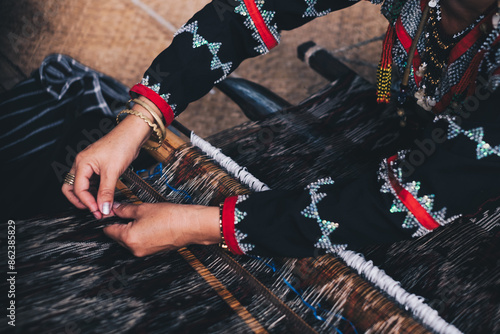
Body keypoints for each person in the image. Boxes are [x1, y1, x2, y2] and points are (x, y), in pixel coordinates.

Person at [62, 0, 500, 258]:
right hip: (401, 106)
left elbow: (413, 196)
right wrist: (142, 116)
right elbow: (247, 11)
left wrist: (207, 224)